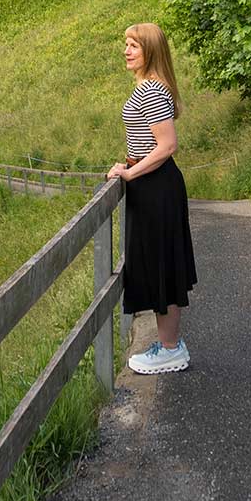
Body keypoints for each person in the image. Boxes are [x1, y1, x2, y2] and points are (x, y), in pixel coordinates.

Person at [106, 21, 197, 374]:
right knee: (161, 264)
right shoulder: (151, 87)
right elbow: (146, 140)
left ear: (151, 51)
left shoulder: (151, 91)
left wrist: (130, 172)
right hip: (152, 184)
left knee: (161, 265)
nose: (126, 51)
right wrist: (128, 161)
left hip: (156, 187)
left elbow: (167, 145)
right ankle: (170, 344)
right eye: (126, 44)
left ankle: (171, 349)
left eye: (134, 45)